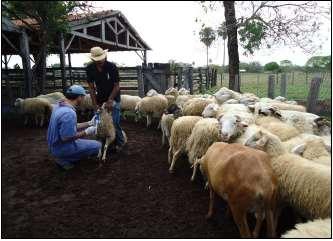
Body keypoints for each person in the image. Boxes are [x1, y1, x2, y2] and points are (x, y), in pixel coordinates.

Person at [47, 85, 102, 170]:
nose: (83, 99)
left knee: (85, 143)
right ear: (79, 97)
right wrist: (86, 132)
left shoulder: (58, 106)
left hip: (54, 145)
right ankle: (64, 159)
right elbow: (66, 138)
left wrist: (89, 123)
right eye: (83, 97)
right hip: (62, 147)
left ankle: (64, 156)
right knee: (97, 145)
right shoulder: (69, 113)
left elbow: (69, 127)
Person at [86, 46, 125, 150]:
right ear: (92, 59)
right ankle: (101, 145)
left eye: (101, 58)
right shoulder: (89, 68)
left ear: (105, 56)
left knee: (114, 122)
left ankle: (120, 143)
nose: (99, 61)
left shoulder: (111, 67)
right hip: (100, 99)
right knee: (99, 124)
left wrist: (110, 100)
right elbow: (91, 88)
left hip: (113, 97)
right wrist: (94, 104)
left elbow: (117, 85)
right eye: (97, 59)